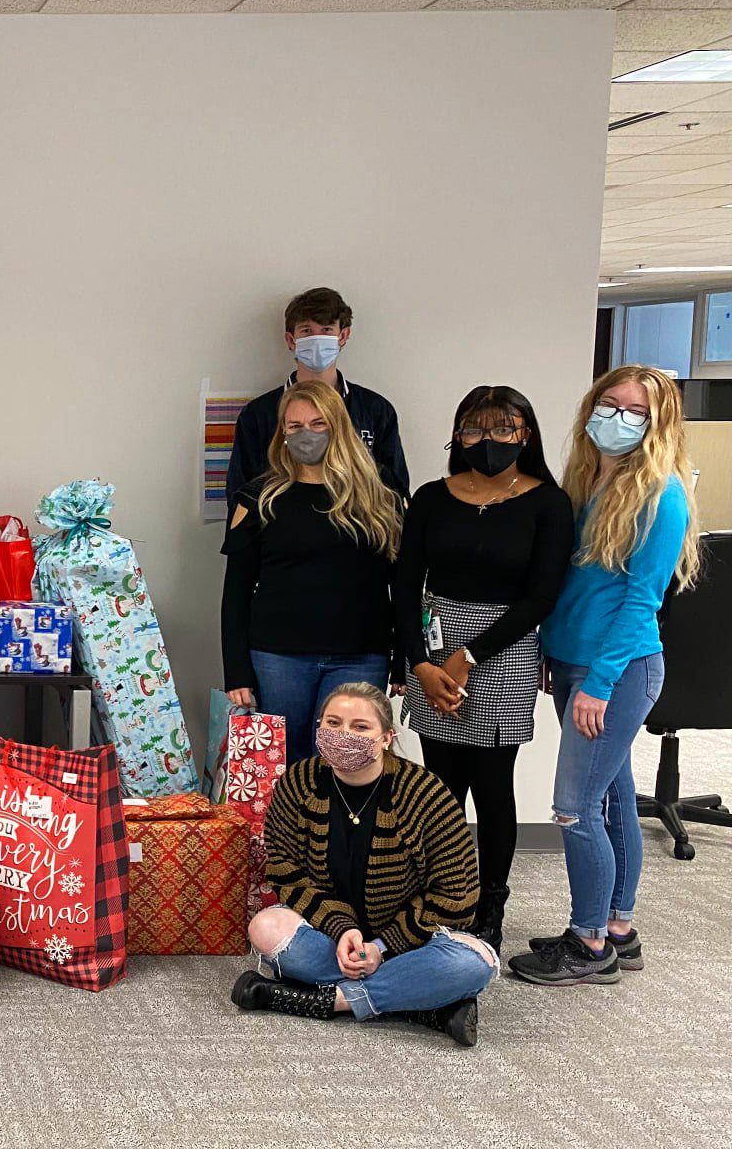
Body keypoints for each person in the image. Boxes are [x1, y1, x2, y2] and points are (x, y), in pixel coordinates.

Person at [509, 366, 700, 988]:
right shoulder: (589, 481)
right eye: (607, 404)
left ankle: (589, 944)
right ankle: (618, 927)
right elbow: (572, 586)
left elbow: (641, 601)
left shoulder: (661, 494)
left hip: (616, 670)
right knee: (613, 798)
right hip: (572, 661)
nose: (616, 418)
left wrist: (597, 684)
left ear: (658, 423)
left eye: (634, 412)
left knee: (573, 807)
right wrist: (550, 653)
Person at [394, 386, 573, 952]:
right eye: (474, 429)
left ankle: (489, 903)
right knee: (440, 787)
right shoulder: (430, 496)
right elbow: (404, 585)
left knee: (493, 786)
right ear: (457, 435)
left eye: (504, 428)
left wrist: (469, 656)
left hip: (506, 650)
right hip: (434, 643)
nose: (488, 440)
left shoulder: (549, 502)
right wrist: (419, 662)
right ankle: (439, 895)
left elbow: (541, 596)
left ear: (526, 434)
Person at [232, 683, 497, 1046]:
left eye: (360, 727)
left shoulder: (425, 792)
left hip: (412, 942)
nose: (344, 735)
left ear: (387, 737)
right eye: (333, 723)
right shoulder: (298, 782)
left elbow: (457, 894)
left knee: (476, 962)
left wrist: (383, 947)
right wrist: (342, 931)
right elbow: (285, 871)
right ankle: (422, 1005)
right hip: (331, 935)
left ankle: (326, 1001)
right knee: (264, 927)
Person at [221, 380, 403, 764]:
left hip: (361, 652)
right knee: (285, 762)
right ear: (282, 433)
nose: (306, 434)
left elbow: (401, 583)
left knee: (348, 760)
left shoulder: (379, 494)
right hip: (278, 656)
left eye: (318, 424)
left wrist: (403, 657)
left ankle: (344, 827)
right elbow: (235, 592)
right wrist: (235, 671)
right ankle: (291, 827)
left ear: (339, 427)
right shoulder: (257, 498)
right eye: (295, 425)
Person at [224, 287, 409, 505]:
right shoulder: (258, 414)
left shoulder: (376, 410)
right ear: (291, 340)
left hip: (357, 531)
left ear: (343, 335)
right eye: (306, 331)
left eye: (327, 329)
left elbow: (395, 489)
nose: (317, 339)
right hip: (281, 532)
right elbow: (240, 494)